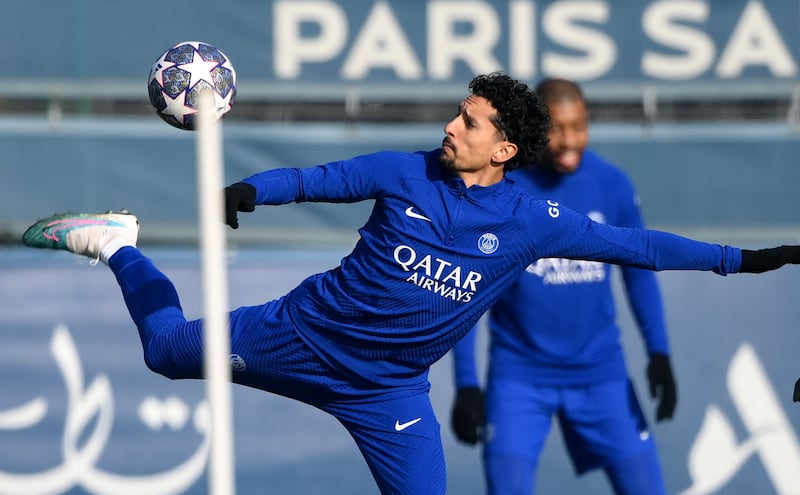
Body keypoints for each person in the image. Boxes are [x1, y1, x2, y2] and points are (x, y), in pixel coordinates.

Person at [20, 72, 800, 495]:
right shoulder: (408, 171)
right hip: (297, 337)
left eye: (469, 121)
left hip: (388, 392)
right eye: (456, 113)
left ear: (503, 151)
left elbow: (639, 246)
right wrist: (252, 189)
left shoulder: (535, 221)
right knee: (163, 350)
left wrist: (742, 259)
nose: (450, 127)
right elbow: (325, 176)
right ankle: (116, 244)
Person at [449, 78, 674, 495]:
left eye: (580, 126)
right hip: (519, 378)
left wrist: (658, 353)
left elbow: (639, 273)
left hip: (601, 373)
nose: (570, 140)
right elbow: (467, 291)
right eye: (557, 128)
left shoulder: (613, 186)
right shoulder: (501, 188)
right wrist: (466, 383)